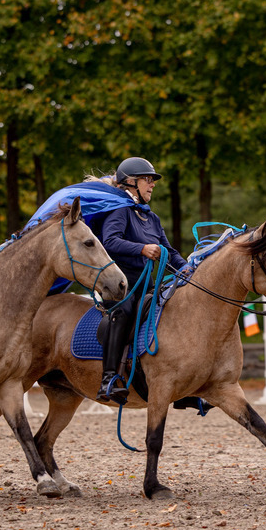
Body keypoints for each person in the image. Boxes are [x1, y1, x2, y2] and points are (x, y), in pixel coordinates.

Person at [95, 157, 187, 405]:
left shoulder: (153, 219)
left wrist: (189, 269)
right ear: (131, 183)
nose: (152, 184)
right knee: (124, 311)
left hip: (148, 285)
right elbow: (109, 241)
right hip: (121, 284)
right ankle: (109, 379)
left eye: (153, 180)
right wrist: (142, 248)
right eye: (148, 179)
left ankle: (181, 386)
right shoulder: (120, 210)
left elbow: (170, 252)